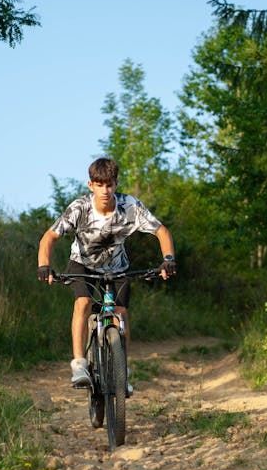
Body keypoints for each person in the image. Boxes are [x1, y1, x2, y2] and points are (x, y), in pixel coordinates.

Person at [37, 157, 176, 391]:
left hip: (118, 267)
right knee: (83, 303)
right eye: (99, 185)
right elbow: (49, 237)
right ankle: (80, 364)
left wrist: (169, 259)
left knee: (120, 313)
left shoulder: (129, 206)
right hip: (83, 264)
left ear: (116, 184)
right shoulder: (79, 208)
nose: (105, 190)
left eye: (109, 184)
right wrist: (44, 265)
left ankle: (123, 373)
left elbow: (161, 231)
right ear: (91, 185)